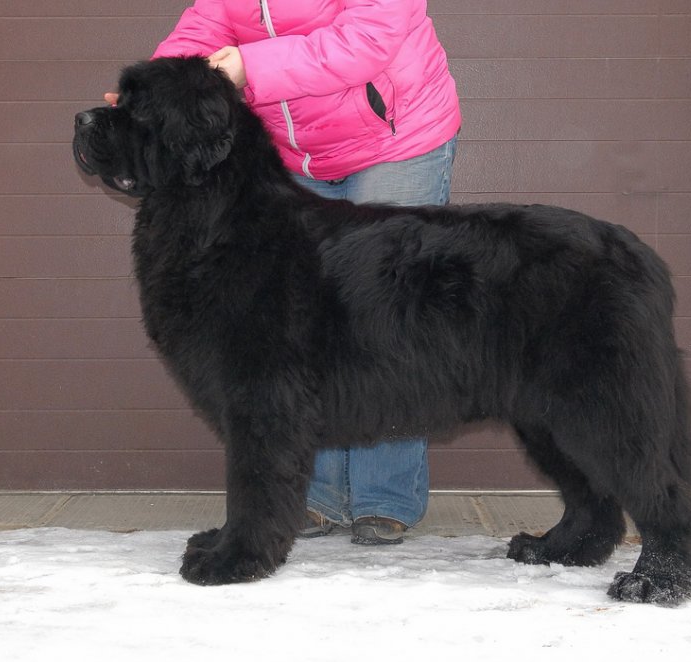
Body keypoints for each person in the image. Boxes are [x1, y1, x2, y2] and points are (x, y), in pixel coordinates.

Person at [115, 0, 461, 545]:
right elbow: (205, 25)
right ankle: (310, 497)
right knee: (293, 336)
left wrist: (251, 66)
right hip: (297, 151)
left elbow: (368, 39)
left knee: (385, 322)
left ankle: (384, 498)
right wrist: (153, 92)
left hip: (395, 139)